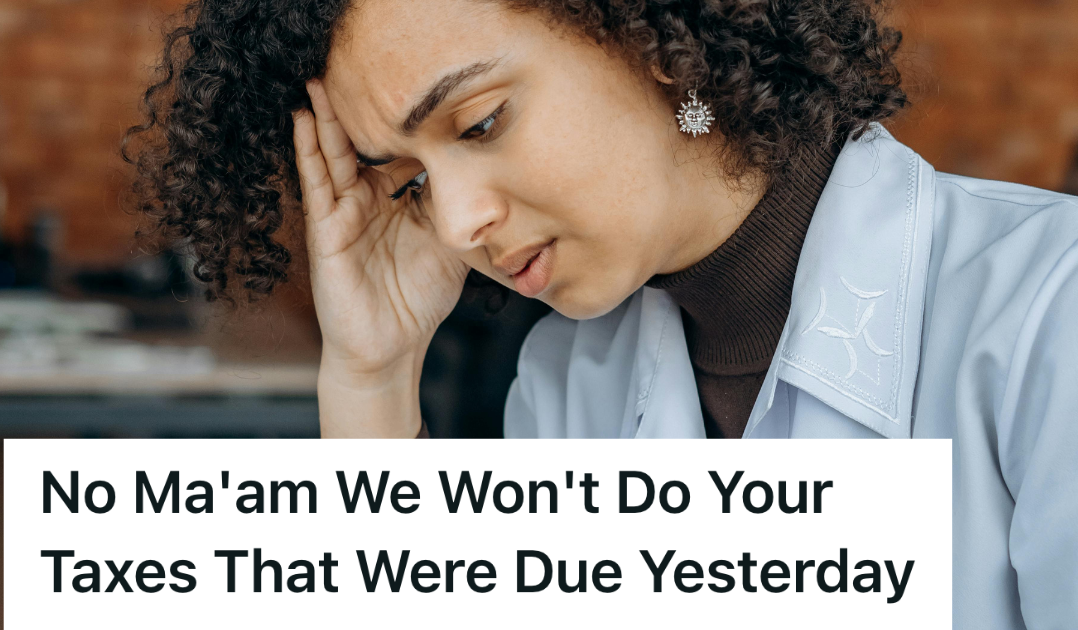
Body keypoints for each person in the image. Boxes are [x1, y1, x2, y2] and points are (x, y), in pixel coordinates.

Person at [124, 0, 1078, 626]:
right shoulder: (572, 383)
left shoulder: (1048, 310)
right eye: (410, 181)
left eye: (481, 123)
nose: (459, 224)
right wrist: (371, 380)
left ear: (658, 46)